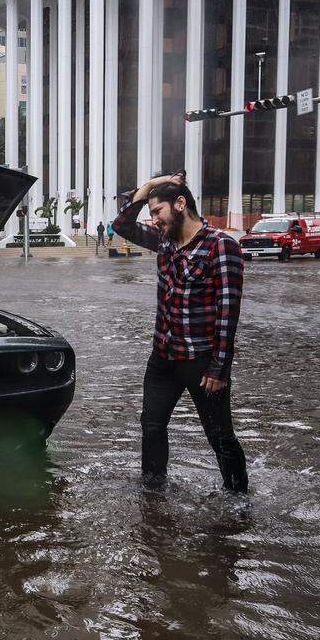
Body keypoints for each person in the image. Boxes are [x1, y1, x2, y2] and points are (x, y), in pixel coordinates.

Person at [111, 172, 248, 493]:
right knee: (152, 426)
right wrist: (146, 190)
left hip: (201, 362)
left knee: (219, 435)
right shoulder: (164, 240)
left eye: (157, 211)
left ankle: (238, 500)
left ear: (180, 204)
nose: (154, 219)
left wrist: (219, 367)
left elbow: (229, 311)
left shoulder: (221, 245)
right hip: (162, 358)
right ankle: (153, 492)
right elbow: (121, 226)